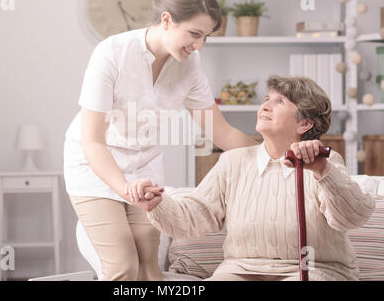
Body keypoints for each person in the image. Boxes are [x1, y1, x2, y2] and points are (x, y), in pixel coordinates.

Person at [63, 0, 256, 281]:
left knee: (150, 270)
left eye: (206, 37)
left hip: (144, 166)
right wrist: (125, 189)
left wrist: (278, 152)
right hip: (94, 166)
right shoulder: (111, 53)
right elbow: (93, 141)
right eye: (194, 34)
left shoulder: (189, 65)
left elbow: (222, 134)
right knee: (123, 267)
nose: (199, 45)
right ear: (166, 20)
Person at [144, 76, 376, 281]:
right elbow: (195, 216)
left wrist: (322, 171)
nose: (265, 106)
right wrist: (157, 204)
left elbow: (352, 217)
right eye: (267, 99)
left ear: (304, 123)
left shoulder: (325, 161)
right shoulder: (232, 162)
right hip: (241, 269)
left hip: (314, 269)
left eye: (280, 102)